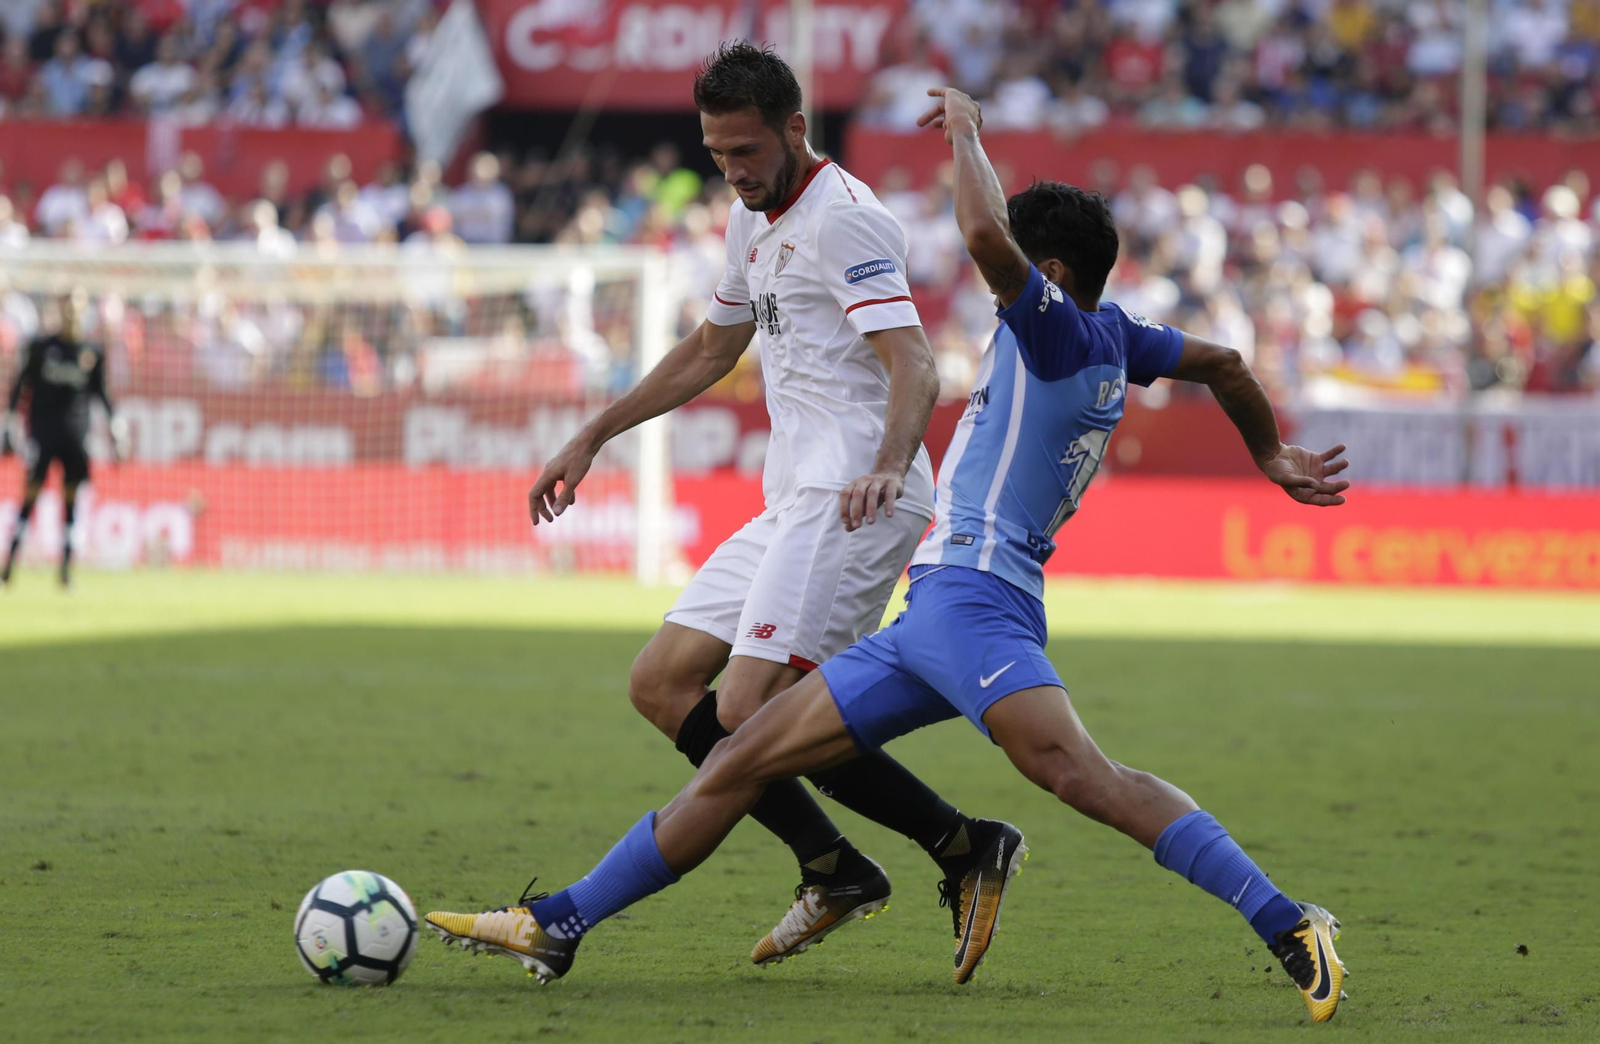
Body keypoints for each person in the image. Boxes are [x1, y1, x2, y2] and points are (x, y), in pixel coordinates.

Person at [424, 85, 1355, 1024]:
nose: (994, 282)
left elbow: (984, 235)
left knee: (1088, 779)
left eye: (1016, 269)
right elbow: (1225, 364)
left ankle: (1287, 919)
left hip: (975, 607)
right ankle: (561, 921)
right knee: (738, 757)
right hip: (932, 616)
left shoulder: (1058, 329)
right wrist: (1270, 453)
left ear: (1050, 272)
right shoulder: (1123, 337)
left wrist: (967, 134)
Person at [474, 44, 1019, 974]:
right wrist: (593, 435)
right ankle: (850, 864)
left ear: (794, 129)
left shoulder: (846, 220)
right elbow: (709, 349)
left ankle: (954, 848)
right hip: (792, 501)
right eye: (717, 153)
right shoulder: (749, 219)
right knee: (661, 683)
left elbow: (917, 364)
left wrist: (888, 464)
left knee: (746, 710)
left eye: (747, 150)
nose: (732, 170)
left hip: (855, 498)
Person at [2, 291, 128, 588]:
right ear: (61, 310)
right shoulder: (41, 348)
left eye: (78, 307)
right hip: (43, 435)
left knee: (71, 502)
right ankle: (9, 567)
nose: (72, 313)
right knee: (29, 497)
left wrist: (117, 432)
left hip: (76, 437)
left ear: (84, 312)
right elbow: (20, 387)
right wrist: (9, 425)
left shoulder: (91, 353)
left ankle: (66, 572)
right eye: (68, 307)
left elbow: (103, 395)